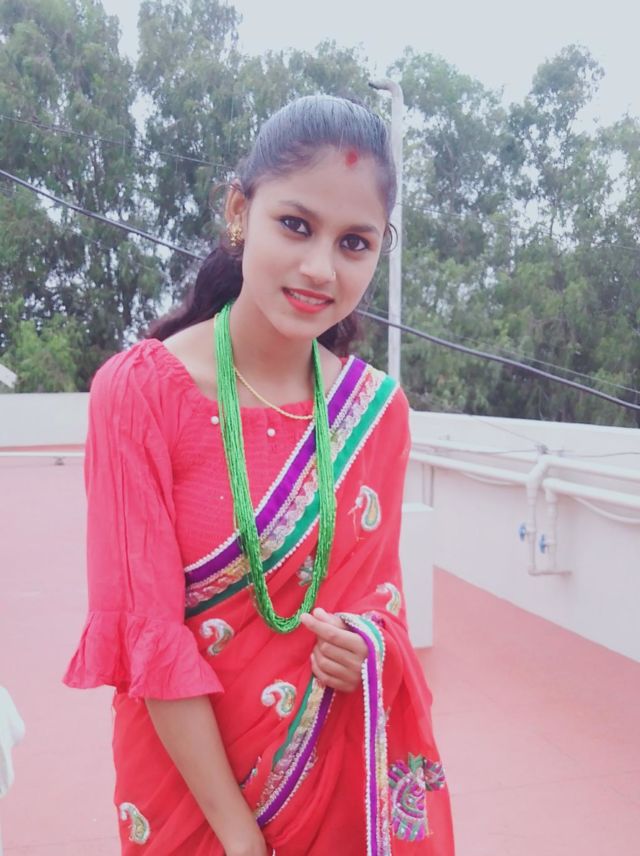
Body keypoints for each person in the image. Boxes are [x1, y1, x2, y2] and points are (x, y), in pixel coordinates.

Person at [64, 95, 454, 855]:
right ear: (241, 211)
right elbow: (148, 635)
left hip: (331, 791)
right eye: (296, 225)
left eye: (354, 243)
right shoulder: (140, 393)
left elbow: (382, 603)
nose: (320, 269)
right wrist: (240, 838)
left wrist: (366, 648)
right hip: (191, 805)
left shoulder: (377, 413)